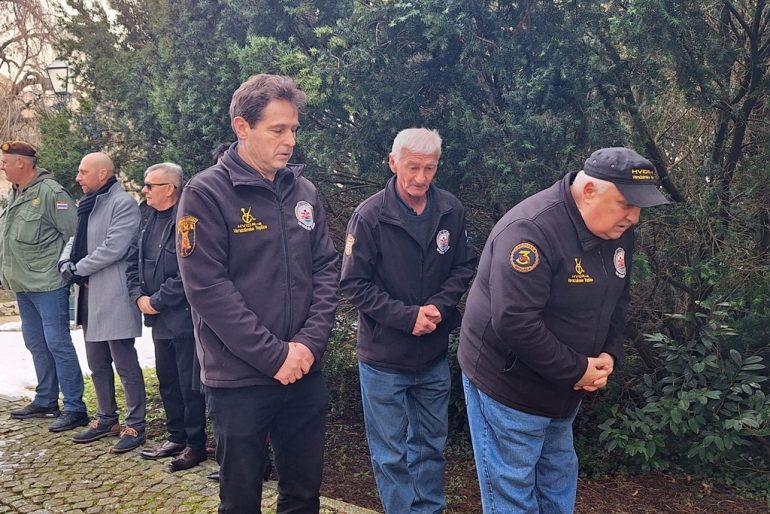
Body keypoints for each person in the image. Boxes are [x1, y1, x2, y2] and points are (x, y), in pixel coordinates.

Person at [458, 147, 670, 513]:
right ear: (589, 191)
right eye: (626, 204)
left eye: (638, 207)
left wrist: (608, 353)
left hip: (564, 387)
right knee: (514, 490)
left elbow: (618, 298)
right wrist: (578, 369)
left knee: (557, 479)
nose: (634, 217)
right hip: (510, 385)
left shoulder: (616, 229)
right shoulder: (530, 232)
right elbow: (515, 322)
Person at [177, 74, 339, 513]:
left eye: (294, 129)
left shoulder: (304, 191)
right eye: (277, 129)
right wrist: (274, 356)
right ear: (242, 127)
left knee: (303, 496)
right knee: (241, 499)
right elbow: (208, 288)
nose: (290, 141)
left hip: (304, 371)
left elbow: (326, 269)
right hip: (240, 378)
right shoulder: (206, 193)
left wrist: (307, 346)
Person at [339, 128, 476, 513]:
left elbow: (463, 266)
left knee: (430, 446)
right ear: (393, 162)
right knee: (390, 455)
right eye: (412, 167)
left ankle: (429, 509)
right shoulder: (369, 216)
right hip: (383, 359)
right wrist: (406, 317)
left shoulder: (450, 210)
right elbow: (353, 284)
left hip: (432, 355)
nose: (420, 177)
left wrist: (439, 307)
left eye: (429, 168)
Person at [58, 152, 147, 454]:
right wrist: (65, 262)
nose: (78, 178)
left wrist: (78, 268)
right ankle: (107, 418)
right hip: (90, 295)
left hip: (114, 295)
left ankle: (136, 424)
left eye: (83, 172)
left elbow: (114, 247)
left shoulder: (123, 204)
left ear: (102, 174)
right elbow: (75, 239)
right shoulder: (88, 203)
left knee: (124, 363)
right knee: (96, 363)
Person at [0, 140, 88, 432]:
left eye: (5, 162)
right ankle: (46, 399)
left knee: (57, 343)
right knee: (36, 343)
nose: (2, 167)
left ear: (21, 163)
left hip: (49, 283)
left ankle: (75, 407)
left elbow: (74, 235)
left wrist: (69, 271)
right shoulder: (17, 193)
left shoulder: (52, 193)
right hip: (23, 284)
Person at [126, 162, 207, 471]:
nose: (144, 190)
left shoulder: (186, 219)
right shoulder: (146, 217)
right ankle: (176, 436)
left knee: (189, 385)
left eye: (150, 185)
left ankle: (195, 444)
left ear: (171, 188)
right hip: (157, 317)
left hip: (183, 317)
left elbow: (189, 270)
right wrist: (138, 296)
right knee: (168, 381)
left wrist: (157, 300)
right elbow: (132, 261)